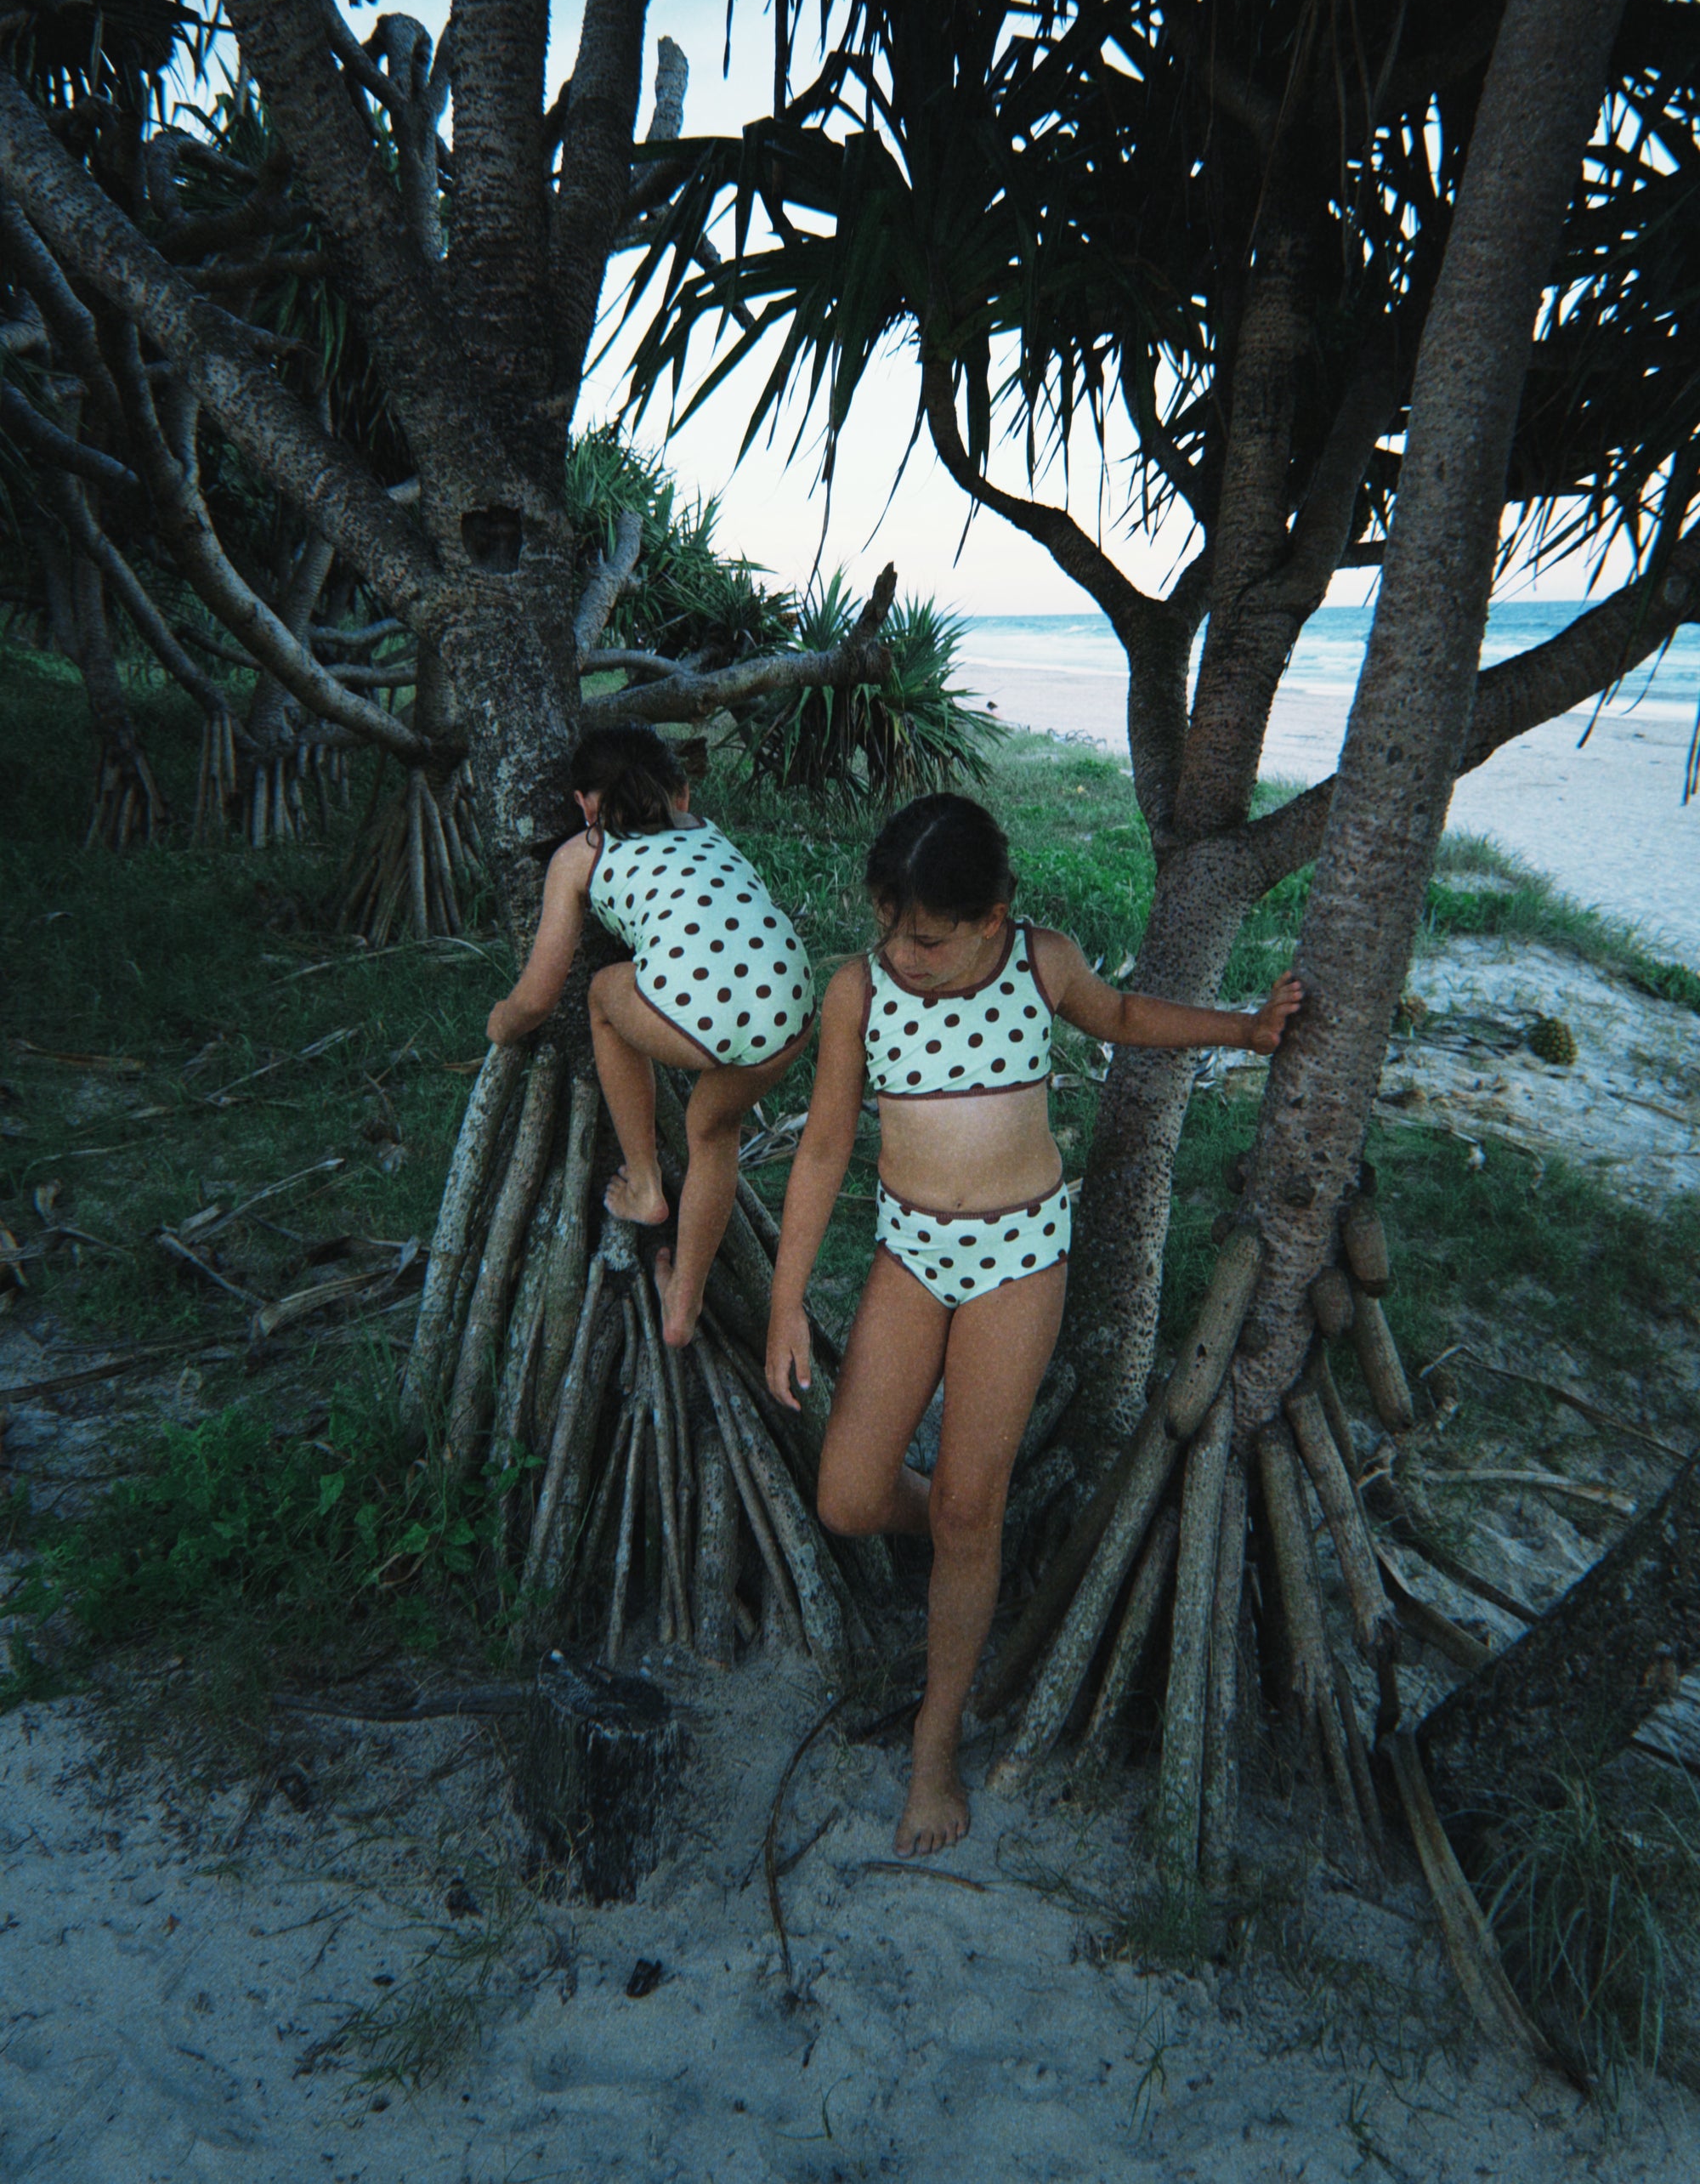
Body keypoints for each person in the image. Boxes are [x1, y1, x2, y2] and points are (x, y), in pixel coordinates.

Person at [765, 791, 1301, 1858]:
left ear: (991, 917)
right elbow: (825, 1147)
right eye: (888, 926)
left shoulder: (1038, 963)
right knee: (849, 1494)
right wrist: (785, 1303)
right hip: (909, 1254)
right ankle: (972, 1535)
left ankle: (934, 1738)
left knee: (971, 1505)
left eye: (926, 936)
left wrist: (1244, 1029)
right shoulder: (856, 990)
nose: (901, 953)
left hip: (1020, 1259)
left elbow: (1127, 1019)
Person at [487, 723, 814, 1348]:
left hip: (694, 1021)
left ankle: (643, 1182)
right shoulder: (702, 829)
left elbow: (538, 994)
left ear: (584, 804)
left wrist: (501, 1023)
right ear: (681, 793)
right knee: (712, 1133)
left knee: (604, 997)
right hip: (791, 1006)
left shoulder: (581, 853)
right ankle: (681, 1305)